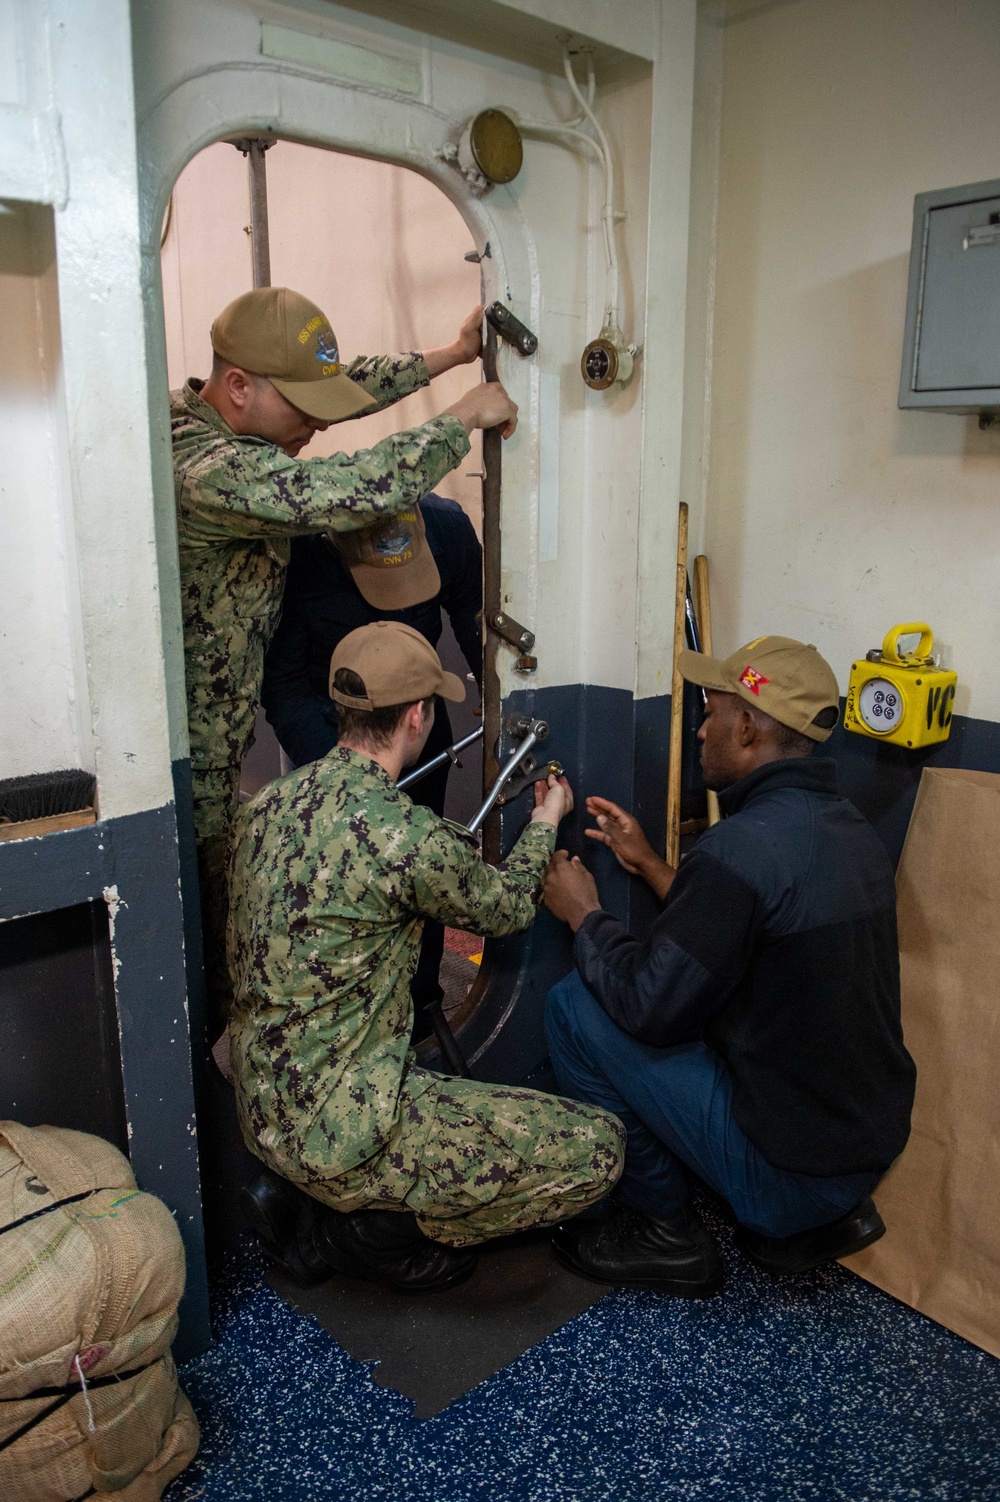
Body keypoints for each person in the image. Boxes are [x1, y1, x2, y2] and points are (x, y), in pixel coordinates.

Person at [229, 621, 624, 1292]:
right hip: (348, 1130)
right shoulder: (407, 836)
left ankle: (308, 1197)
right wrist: (546, 820)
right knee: (601, 1149)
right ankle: (362, 1232)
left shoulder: (266, 804)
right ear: (418, 716)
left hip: (263, 1113)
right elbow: (507, 906)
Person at [171, 284, 515, 1030]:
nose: (315, 428)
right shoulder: (209, 469)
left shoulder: (241, 419)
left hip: (223, 758)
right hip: (186, 768)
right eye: (302, 410)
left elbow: (345, 388)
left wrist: (448, 357)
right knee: (207, 956)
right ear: (237, 387)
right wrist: (463, 416)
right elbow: (350, 489)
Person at [542, 636, 916, 1298]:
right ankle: (807, 1205)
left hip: (793, 1179)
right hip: (863, 1148)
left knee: (574, 1005)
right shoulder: (846, 828)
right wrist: (654, 865)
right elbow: (750, 927)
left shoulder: (737, 851)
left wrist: (585, 913)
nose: (701, 729)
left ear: (747, 728)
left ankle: (663, 1229)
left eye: (711, 711)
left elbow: (650, 1010)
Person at [260, 493, 483, 1031]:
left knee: (420, 873)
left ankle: (422, 1000)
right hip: (330, 731)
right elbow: (284, 687)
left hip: (417, 726)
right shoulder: (301, 554)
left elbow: (480, 625)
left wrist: (501, 705)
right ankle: (345, 1015)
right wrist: (350, 777)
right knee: (338, 882)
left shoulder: (448, 529)